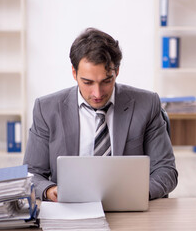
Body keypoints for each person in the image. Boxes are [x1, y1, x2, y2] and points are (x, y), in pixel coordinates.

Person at [23, 28, 178, 202]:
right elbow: (31, 173)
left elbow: (166, 170)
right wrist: (50, 190)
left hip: (130, 208)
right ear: (74, 73)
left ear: (116, 71)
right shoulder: (47, 109)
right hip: (70, 209)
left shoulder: (147, 104)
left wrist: (137, 193)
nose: (97, 93)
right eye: (87, 82)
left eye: (106, 81)